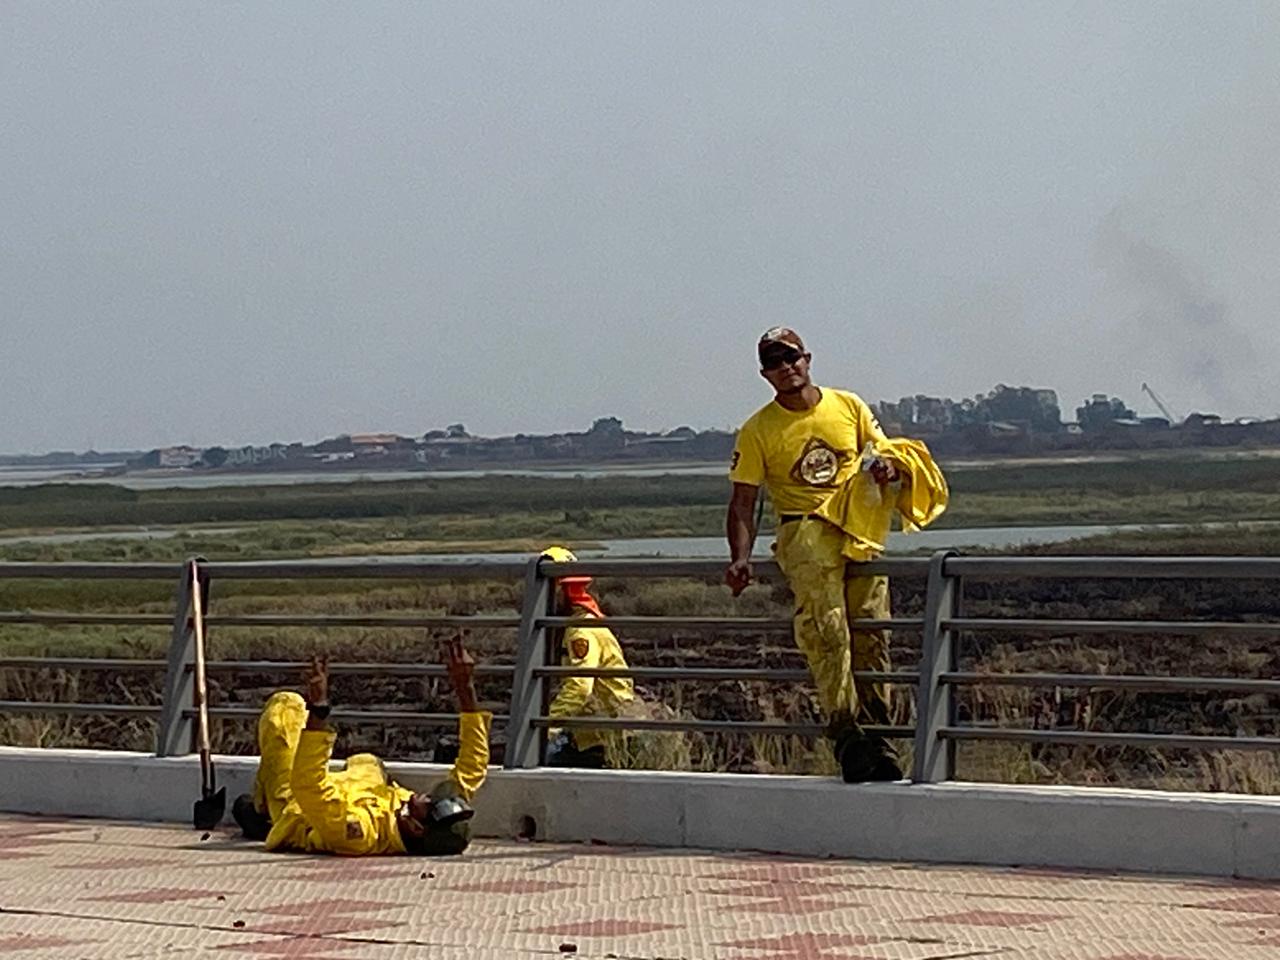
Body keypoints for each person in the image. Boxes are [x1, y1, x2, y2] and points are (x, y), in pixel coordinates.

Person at [724, 327, 948, 783]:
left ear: (807, 358)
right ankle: (848, 739)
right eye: (773, 362)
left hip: (858, 531)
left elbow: (880, 450)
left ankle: (880, 740)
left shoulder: (848, 406)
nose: (785, 368)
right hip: (805, 532)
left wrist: (888, 466)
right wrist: (740, 557)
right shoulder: (757, 430)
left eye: (791, 357)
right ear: (764, 374)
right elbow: (743, 501)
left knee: (869, 637)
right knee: (829, 636)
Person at [231, 635, 491, 855]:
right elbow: (473, 766)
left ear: (416, 828)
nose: (429, 795)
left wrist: (318, 712)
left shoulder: (360, 831)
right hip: (358, 786)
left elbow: (309, 787)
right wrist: (465, 687)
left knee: (285, 708)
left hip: (300, 801)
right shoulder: (415, 811)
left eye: (431, 803)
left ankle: (263, 810)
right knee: (366, 761)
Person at [540, 545, 640, 768]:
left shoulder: (580, 629)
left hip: (600, 737)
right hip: (591, 730)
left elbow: (580, 687)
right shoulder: (578, 622)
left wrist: (543, 727)